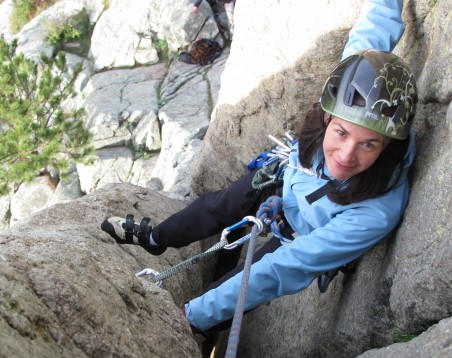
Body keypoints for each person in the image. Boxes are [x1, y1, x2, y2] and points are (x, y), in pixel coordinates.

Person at [102, 0, 417, 336]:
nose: (346, 154)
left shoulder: (376, 211)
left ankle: (193, 324)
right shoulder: (349, 88)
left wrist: (188, 317)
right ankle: (155, 237)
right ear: (328, 115)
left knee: (248, 278)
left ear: (388, 146)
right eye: (341, 132)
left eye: (368, 144)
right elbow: (372, 32)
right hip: (289, 172)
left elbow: (285, 268)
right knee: (219, 205)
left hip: (301, 234)